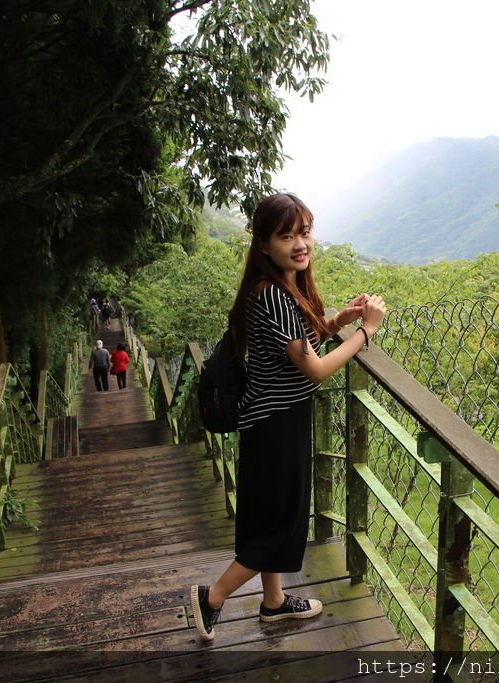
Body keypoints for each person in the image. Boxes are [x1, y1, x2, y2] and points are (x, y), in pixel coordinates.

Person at [190, 192, 386, 642]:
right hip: (277, 424)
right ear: (263, 244)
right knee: (279, 525)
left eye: (305, 231)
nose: (301, 243)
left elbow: (299, 342)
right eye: (287, 236)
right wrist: (365, 332)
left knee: (271, 517)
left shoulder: (274, 289)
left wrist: (338, 322)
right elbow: (315, 369)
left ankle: (274, 603)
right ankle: (212, 598)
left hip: (268, 423)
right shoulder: (275, 295)